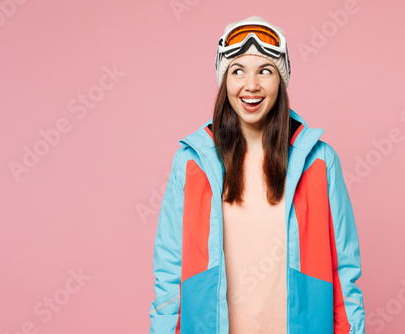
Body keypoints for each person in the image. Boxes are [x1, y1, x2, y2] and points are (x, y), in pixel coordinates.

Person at [149, 15, 366, 334]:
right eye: (238, 71)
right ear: (225, 82)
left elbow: (344, 272)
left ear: (282, 80)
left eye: (265, 71)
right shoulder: (191, 163)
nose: (251, 86)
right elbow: (168, 272)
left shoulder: (319, 161)